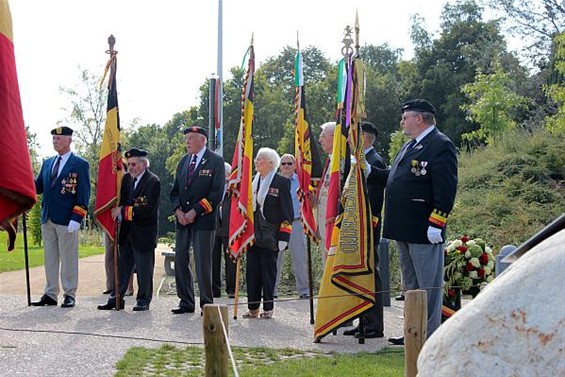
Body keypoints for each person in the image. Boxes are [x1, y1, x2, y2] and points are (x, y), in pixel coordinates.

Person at [368, 99, 458, 345]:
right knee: (411, 285)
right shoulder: (409, 146)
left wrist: (436, 223)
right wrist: (368, 171)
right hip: (403, 226)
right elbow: (394, 178)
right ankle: (413, 331)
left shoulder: (440, 145)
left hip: (423, 227)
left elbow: (446, 188)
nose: (401, 122)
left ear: (419, 119)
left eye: (405, 117)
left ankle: (429, 335)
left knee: (428, 287)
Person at [32, 126, 90, 308]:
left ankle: (69, 293)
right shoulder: (48, 162)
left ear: (69, 140)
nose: (55, 141)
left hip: (67, 219)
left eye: (59, 138)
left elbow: (84, 193)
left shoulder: (79, 164)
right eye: (54, 138)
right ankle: (50, 293)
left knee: (68, 258)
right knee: (50, 258)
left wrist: (77, 217)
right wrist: (22, 180)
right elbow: (38, 186)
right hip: (48, 217)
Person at [170, 125, 225, 314]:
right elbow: (175, 190)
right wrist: (178, 211)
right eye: (186, 138)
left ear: (203, 140)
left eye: (192, 138)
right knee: (180, 259)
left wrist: (195, 211)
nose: (188, 142)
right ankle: (186, 301)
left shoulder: (215, 161)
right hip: (183, 221)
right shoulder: (184, 161)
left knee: (203, 263)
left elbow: (216, 193)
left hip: (203, 221)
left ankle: (206, 303)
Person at [97, 148, 161, 311]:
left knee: (144, 269)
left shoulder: (153, 181)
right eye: (129, 164)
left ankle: (143, 299)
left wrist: (123, 211)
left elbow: (148, 209)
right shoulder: (126, 180)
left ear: (144, 164)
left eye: (134, 164)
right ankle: (116, 297)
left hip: (143, 233)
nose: (130, 167)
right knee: (123, 268)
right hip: (127, 233)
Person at [343, 121, 386, 339]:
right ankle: (363, 320)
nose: (349, 141)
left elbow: (374, 201)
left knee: (371, 276)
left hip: (368, 227)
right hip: (359, 227)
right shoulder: (360, 161)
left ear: (365, 138)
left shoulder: (374, 161)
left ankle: (374, 324)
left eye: (353, 137)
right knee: (361, 276)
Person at [243, 147, 293, 319]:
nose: (257, 161)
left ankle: (268, 308)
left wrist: (284, 236)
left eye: (261, 159)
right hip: (253, 234)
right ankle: (253, 308)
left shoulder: (281, 182)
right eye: (257, 159)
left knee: (268, 272)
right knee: (252, 273)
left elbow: (287, 211)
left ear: (271, 163)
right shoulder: (252, 181)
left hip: (271, 235)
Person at [274, 154, 309, 299]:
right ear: (279, 166)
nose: (286, 166)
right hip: (278, 225)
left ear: (295, 165)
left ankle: (304, 291)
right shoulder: (274, 181)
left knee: (300, 259)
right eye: (283, 164)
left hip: (296, 223)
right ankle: (272, 291)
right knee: (275, 259)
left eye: (289, 163)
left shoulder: (301, 181)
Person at [311, 121, 335, 266]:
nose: (319, 140)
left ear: (334, 136)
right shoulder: (330, 162)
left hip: (335, 227)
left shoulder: (343, 163)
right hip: (325, 225)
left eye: (323, 136)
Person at [212, 162, 237, 299]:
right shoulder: (214, 187)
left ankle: (232, 289)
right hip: (214, 229)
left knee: (231, 261)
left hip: (230, 229)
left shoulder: (234, 189)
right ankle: (214, 290)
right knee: (213, 260)